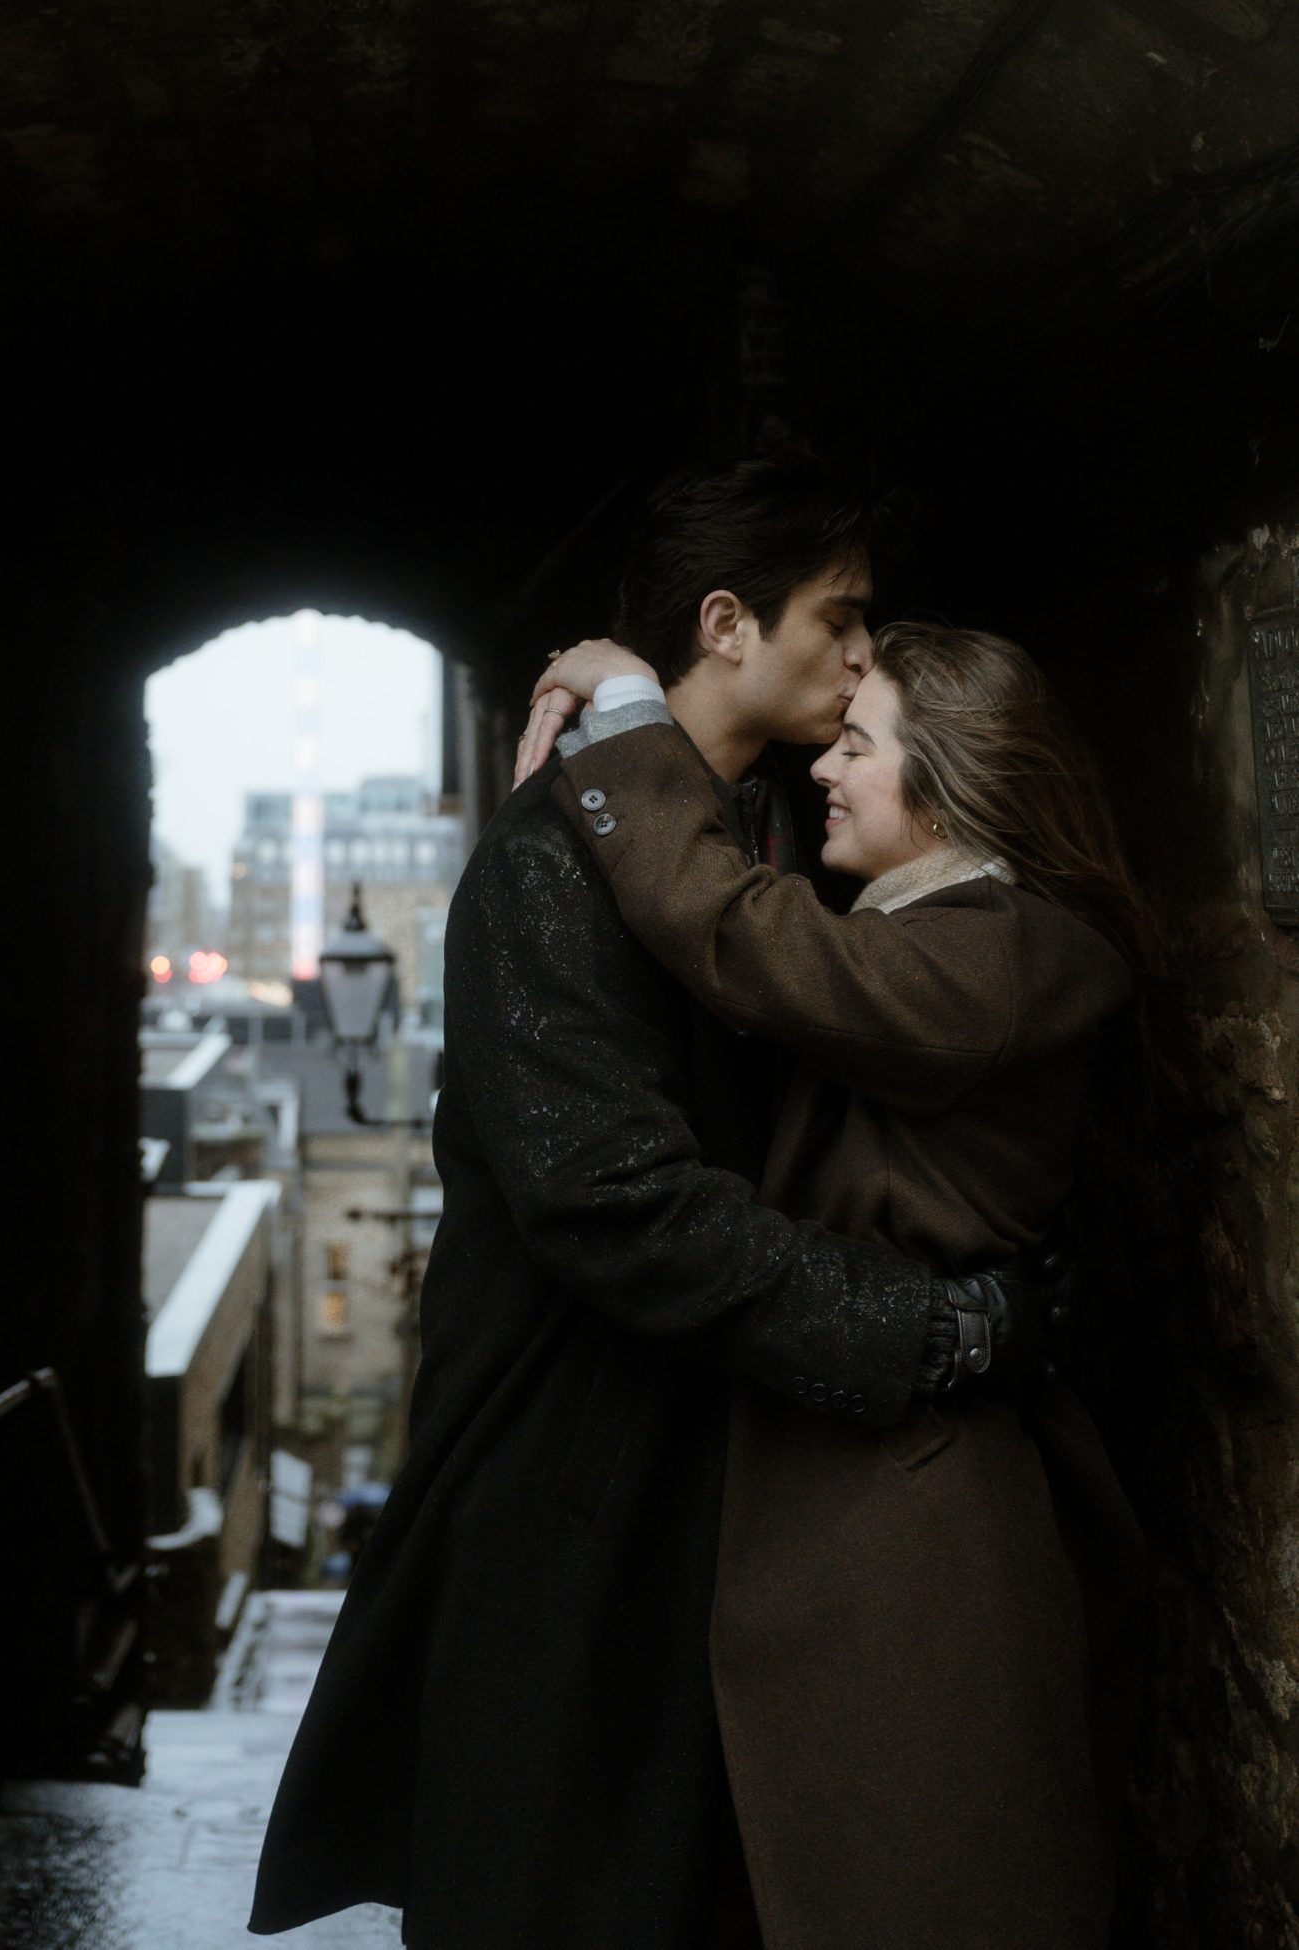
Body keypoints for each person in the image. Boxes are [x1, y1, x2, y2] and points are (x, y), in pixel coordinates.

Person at [249, 459, 1057, 1950]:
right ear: (732, 622)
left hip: (718, 1496)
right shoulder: (546, 870)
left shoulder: (760, 848)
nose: (869, 652)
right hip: (570, 1504)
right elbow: (619, 1203)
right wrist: (923, 1329)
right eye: (846, 615)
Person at [526, 620, 1152, 1950]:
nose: (826, 770)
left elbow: (742, 937)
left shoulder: (990, 955)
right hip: (878, 1515)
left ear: (958, 784)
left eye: (860, 747)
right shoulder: (946, 934)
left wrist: (631, 711)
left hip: (921, 1557)